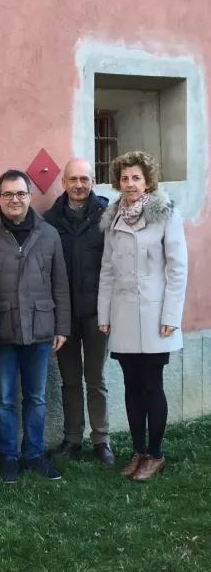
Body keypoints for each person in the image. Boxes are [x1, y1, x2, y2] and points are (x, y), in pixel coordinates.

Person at [0, 170, 71, 484]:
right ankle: (9, 457)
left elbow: (60, 285)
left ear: (29, 196)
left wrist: (62, 327)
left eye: (21, 194)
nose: (15, 200)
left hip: (41, 330)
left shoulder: (49, 234)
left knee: (37, 397)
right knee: (2, 400)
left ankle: (34, 455)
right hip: (2, 331)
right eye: (8, 194)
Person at [98, 151, 187, 481]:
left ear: (148, 181)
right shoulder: (113, 218)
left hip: (154, 314)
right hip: (122, 314)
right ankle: (138, 451)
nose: (130, 183)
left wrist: (171, 314)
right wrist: (104, 314)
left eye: (136, 177)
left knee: (152, 384)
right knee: (131, 385)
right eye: (124, 178)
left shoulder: (164, 214)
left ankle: (156, 454)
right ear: (117, 183)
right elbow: (107, 270)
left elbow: (177, 268)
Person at [43, 159, 115, 466]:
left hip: (97, 314)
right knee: (69, 381)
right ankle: (72, 439)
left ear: (94, 180)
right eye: (73, 179)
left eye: (84, 179)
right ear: (63, 182)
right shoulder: (49, 220)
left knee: (95, 379)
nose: (78, 185)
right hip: (65, 316)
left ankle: (101, 440)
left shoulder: (107, 216)